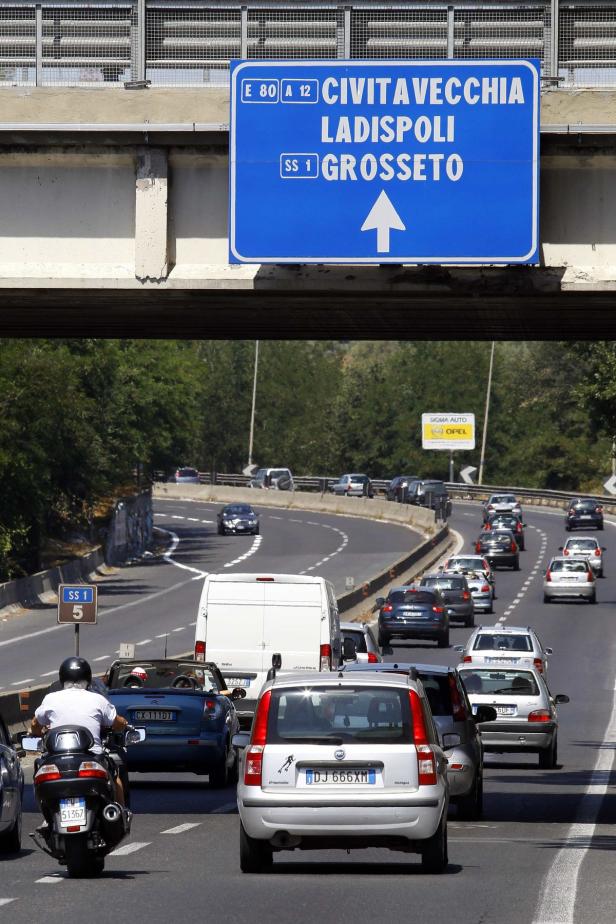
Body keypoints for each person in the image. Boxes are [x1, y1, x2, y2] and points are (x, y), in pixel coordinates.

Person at [31, 656, 129, 807]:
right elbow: (117, 722)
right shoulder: (97, 699)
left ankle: (47, 815)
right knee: (115, 777)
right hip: (93, 756)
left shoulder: (50, 699)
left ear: (62, 678)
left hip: (57, 758)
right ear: (88, 678)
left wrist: (39, 732)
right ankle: (121, 813)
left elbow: (35, 724)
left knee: (39, 777)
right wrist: (123, 724)